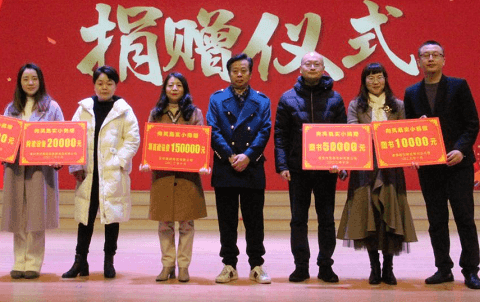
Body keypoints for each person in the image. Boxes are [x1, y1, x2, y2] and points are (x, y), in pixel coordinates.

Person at [404, 40, 480, 290]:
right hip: (430, 168)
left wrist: (460, 149)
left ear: (443, 60)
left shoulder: (459, 86)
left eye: (435, 55)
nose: (430, 59)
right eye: (425, 55)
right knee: (436, 220)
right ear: (418, 61)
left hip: (458, 164)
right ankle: (443, 268)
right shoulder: (411, 93)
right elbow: (409, 129)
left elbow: (472, 123)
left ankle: (470, 270)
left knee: (464, 218)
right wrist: (413, 153)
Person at [336, 62, 417, 285]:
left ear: (385, 79)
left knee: (389, 216)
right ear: (364, 81)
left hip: (391, 170)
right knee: (368, 218)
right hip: (365, 170)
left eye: (379, 77)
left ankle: (388, 268)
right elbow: (353, 133)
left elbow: (403, 134)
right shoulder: (356, 105)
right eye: (370, 77)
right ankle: (374, 268)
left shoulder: (396, 105)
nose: (375, 81)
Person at [63, 66, 140, 279]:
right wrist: (76, 166)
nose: (104, 87)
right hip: (88, 173)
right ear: (94, 84)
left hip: (111, 174)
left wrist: (118, 161)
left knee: (111, 219)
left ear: (115, 85)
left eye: (109, 83)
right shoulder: (84, 109)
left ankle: (109, 261)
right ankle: (80, 261)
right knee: (85, 219)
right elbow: (73, 137)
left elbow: (132, 139)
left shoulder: (124, 110)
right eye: (100, 83)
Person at [274, 51, 345, 283]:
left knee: (327, 219)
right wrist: (282, 164)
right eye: (308, 64)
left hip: (327, 171)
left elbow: (345, 134)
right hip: (297, 170)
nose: (312, 67)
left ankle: (325, 265)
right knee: (298, 220)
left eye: (317, 64)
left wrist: (343, 165)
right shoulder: (287, 98)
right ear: (300, 69)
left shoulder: (335, 98)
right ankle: (301, 266)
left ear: (324, 68)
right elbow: (280, 135)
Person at [206, 53, 272, 284]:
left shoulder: (262, 100)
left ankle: (256, 265)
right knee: (227, 221)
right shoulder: (217, 99)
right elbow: (212, 129)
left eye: (244, 70)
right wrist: (231, 155)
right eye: (235, 71)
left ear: (251, 73)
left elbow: (265, 130)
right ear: (229, 73)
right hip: (226, 165)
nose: (239, 74)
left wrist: (248, 156)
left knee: (254, 220)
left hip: (252, 166)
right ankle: (229, 265)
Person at [139, 72, 208, 283]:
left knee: (187, 224)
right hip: (163, 176)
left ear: (185, 89)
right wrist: (147, 161)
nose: (175, 89)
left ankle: (184, 266)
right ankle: (167, 264)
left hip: (188, 178)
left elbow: (200, 143)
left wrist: (202, 162)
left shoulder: (194, 113)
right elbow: (150, 143)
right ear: (165, 89)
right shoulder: (156, 113)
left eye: (179, 85)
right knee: (164, 224)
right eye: (170, 85)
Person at [0, 63, 64, 279]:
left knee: (36, 215)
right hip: (16, 168)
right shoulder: (11, 108)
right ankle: (19, 261)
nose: (30, 83)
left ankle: (34, 263)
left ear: (40, 81)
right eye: (25, 79)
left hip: (40, 169)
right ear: (19, 82)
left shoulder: (52, 107)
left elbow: (62, 137)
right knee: (18, 214)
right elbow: (3, 138)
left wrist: (59, 159)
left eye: (34, 78)